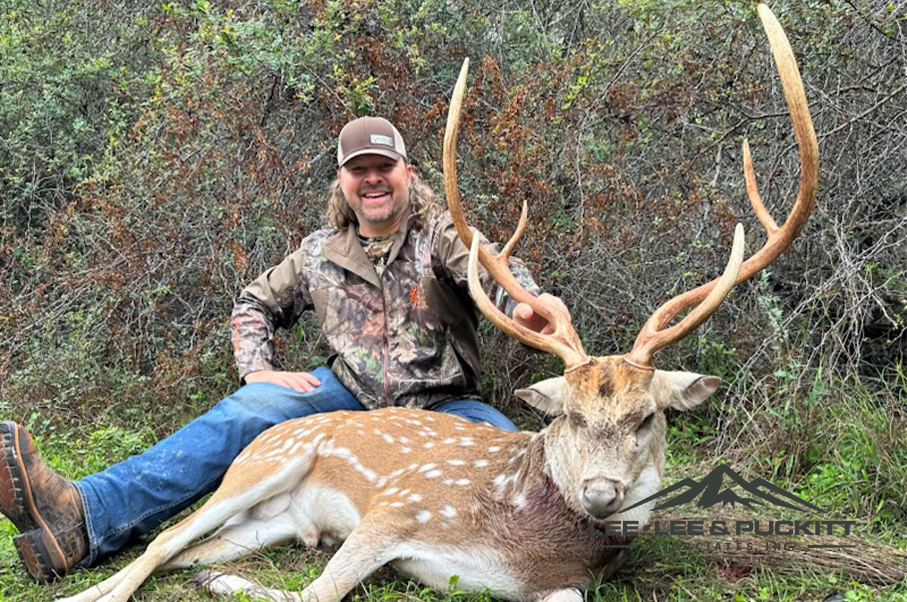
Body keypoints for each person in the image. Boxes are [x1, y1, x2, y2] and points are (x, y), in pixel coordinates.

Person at [0, 116, 570, 582]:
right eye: (359, 170)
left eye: (384, 167)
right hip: (347, 395)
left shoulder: (439, 235)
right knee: (247, 416)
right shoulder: (320, 251)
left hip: (445, 405)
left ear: (407, 173)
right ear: (342, 182)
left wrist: (528, 303)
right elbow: (254, 303)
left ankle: (541, 561)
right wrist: (257, 369)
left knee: (517, 463)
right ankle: (81, 519)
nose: (373, 180)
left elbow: (493, 270)